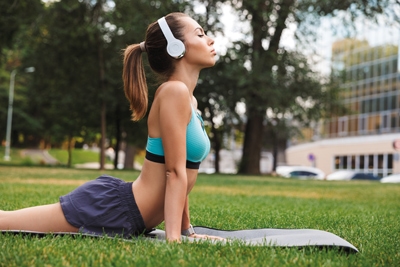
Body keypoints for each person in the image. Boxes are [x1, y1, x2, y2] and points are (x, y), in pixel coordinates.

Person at [0, 12, 219, 242]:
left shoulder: (189, 101)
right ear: (176, 48)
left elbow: (181, 170)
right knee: (5, 222)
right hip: (114, 211)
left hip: (127, 212)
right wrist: (174, 241)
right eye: (200, 34)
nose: (210, 40)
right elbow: (173, 173)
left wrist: (187, 232)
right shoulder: (174, 92)